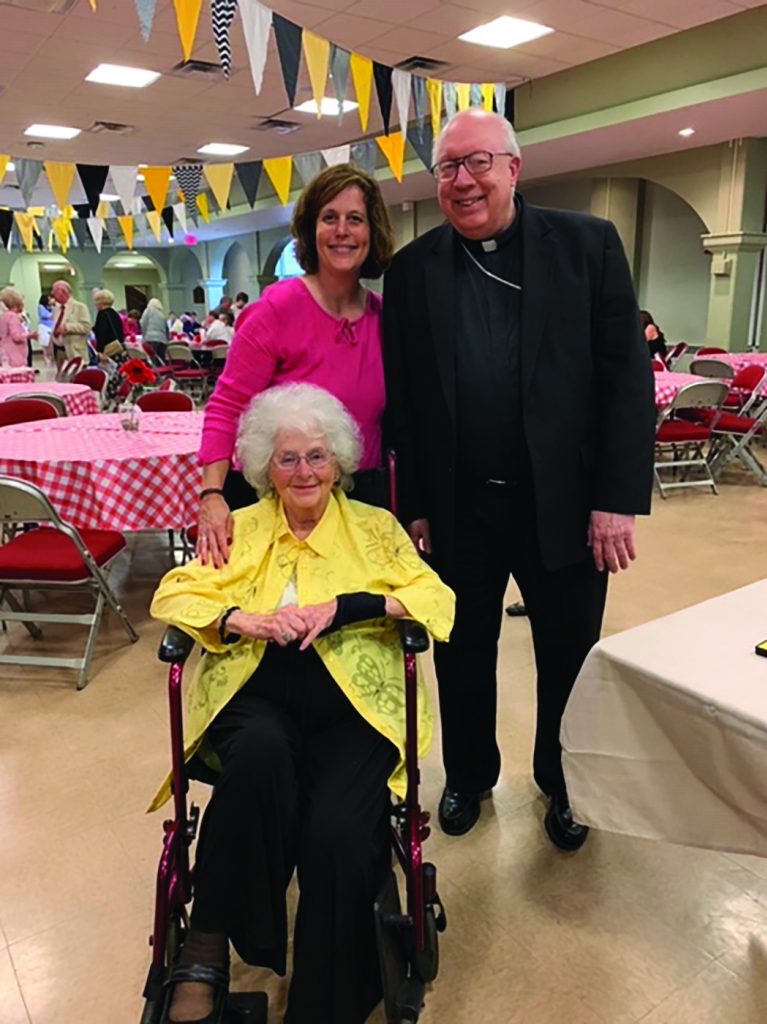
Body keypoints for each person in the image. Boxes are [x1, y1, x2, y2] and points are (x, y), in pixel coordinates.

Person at [383, 109, 656, 850]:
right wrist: (416, 510)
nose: (463, 181)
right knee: (461, 650)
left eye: (477, 163)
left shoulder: (587, 245)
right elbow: (403, 402)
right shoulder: (411, 270)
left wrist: (615, 500)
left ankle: (565, 784)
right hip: (459, 506)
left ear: (513, 167)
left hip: (565, 504)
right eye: (448, 168)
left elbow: (624, 380)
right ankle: (469, 775)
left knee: (569, 654)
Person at [150, 383, 454, 1024]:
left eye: (317, 456)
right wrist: (240, 620)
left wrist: (352, 607)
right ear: (266, 467)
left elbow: (438, 599)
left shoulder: (377, 530)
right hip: (258, 690)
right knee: (258, 760)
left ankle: (324, 1004)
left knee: (338, 830)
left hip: (354, 701)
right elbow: (175, 593)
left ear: (340, 462)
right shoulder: (240, 527)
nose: (305, 471)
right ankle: (206, 950)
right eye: (288, 459)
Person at [197, 163, 394, 568]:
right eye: (329, 218)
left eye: (355, 219)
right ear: (311, 229)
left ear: (371, 232)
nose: (342, 230)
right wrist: (212, 495)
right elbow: (226, 407)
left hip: (361, 497)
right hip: (284, 498)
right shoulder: (275, 310)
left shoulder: (385, 318)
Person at [51, 279, 91, 368]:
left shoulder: (80, 307)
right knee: (62, 380)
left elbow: (86, 327)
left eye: (54, 292)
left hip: (74, 351)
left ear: (64, 292)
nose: (52, 295)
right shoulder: (56, 309)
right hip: (59, 351)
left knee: (76, 379)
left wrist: (68, 327)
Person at [0, 287, 37, 367]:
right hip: (15, 355)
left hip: (5, 353)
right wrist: (30, 335)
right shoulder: (13, 317)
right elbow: (16, 336)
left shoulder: (4, 317)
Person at [92, 289, 125, 353]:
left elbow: (102, 334)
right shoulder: (114, 313)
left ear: (100, 301)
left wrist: (100, 351)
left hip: (108, 349)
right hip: (117, 347)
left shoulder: (102, 314)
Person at [37, 293, 54, 367]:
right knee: (45, 343)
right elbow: (44, 315)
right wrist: (52, 315)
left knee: (51, 343)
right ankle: (46, 358)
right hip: (44, 326)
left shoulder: (51, 307)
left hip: (51, 326)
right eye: (49, 299)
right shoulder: (41, 307)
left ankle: (51, 358)